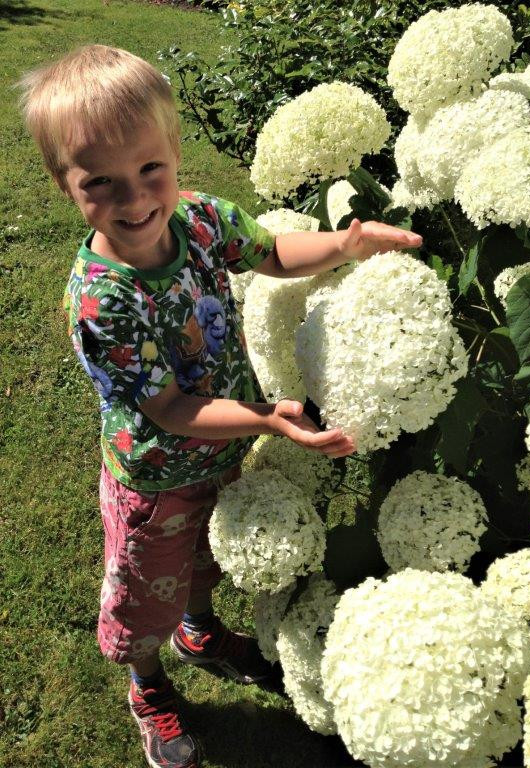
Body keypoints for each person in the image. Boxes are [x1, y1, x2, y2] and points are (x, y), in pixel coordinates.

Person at [18, 44, 422, 768]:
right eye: (101, 183)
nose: (136, 198)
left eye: (151, 170)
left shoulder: (201, 221)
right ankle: (148, 681)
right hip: (157, 477)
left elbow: (269, 253)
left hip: (222, 452)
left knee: (208, 558)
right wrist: (268, 418)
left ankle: (200, 631)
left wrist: (345, 243)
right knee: (149, 591)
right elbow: (170, 409)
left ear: (175, 154)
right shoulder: (100, 302)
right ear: (64, 184)